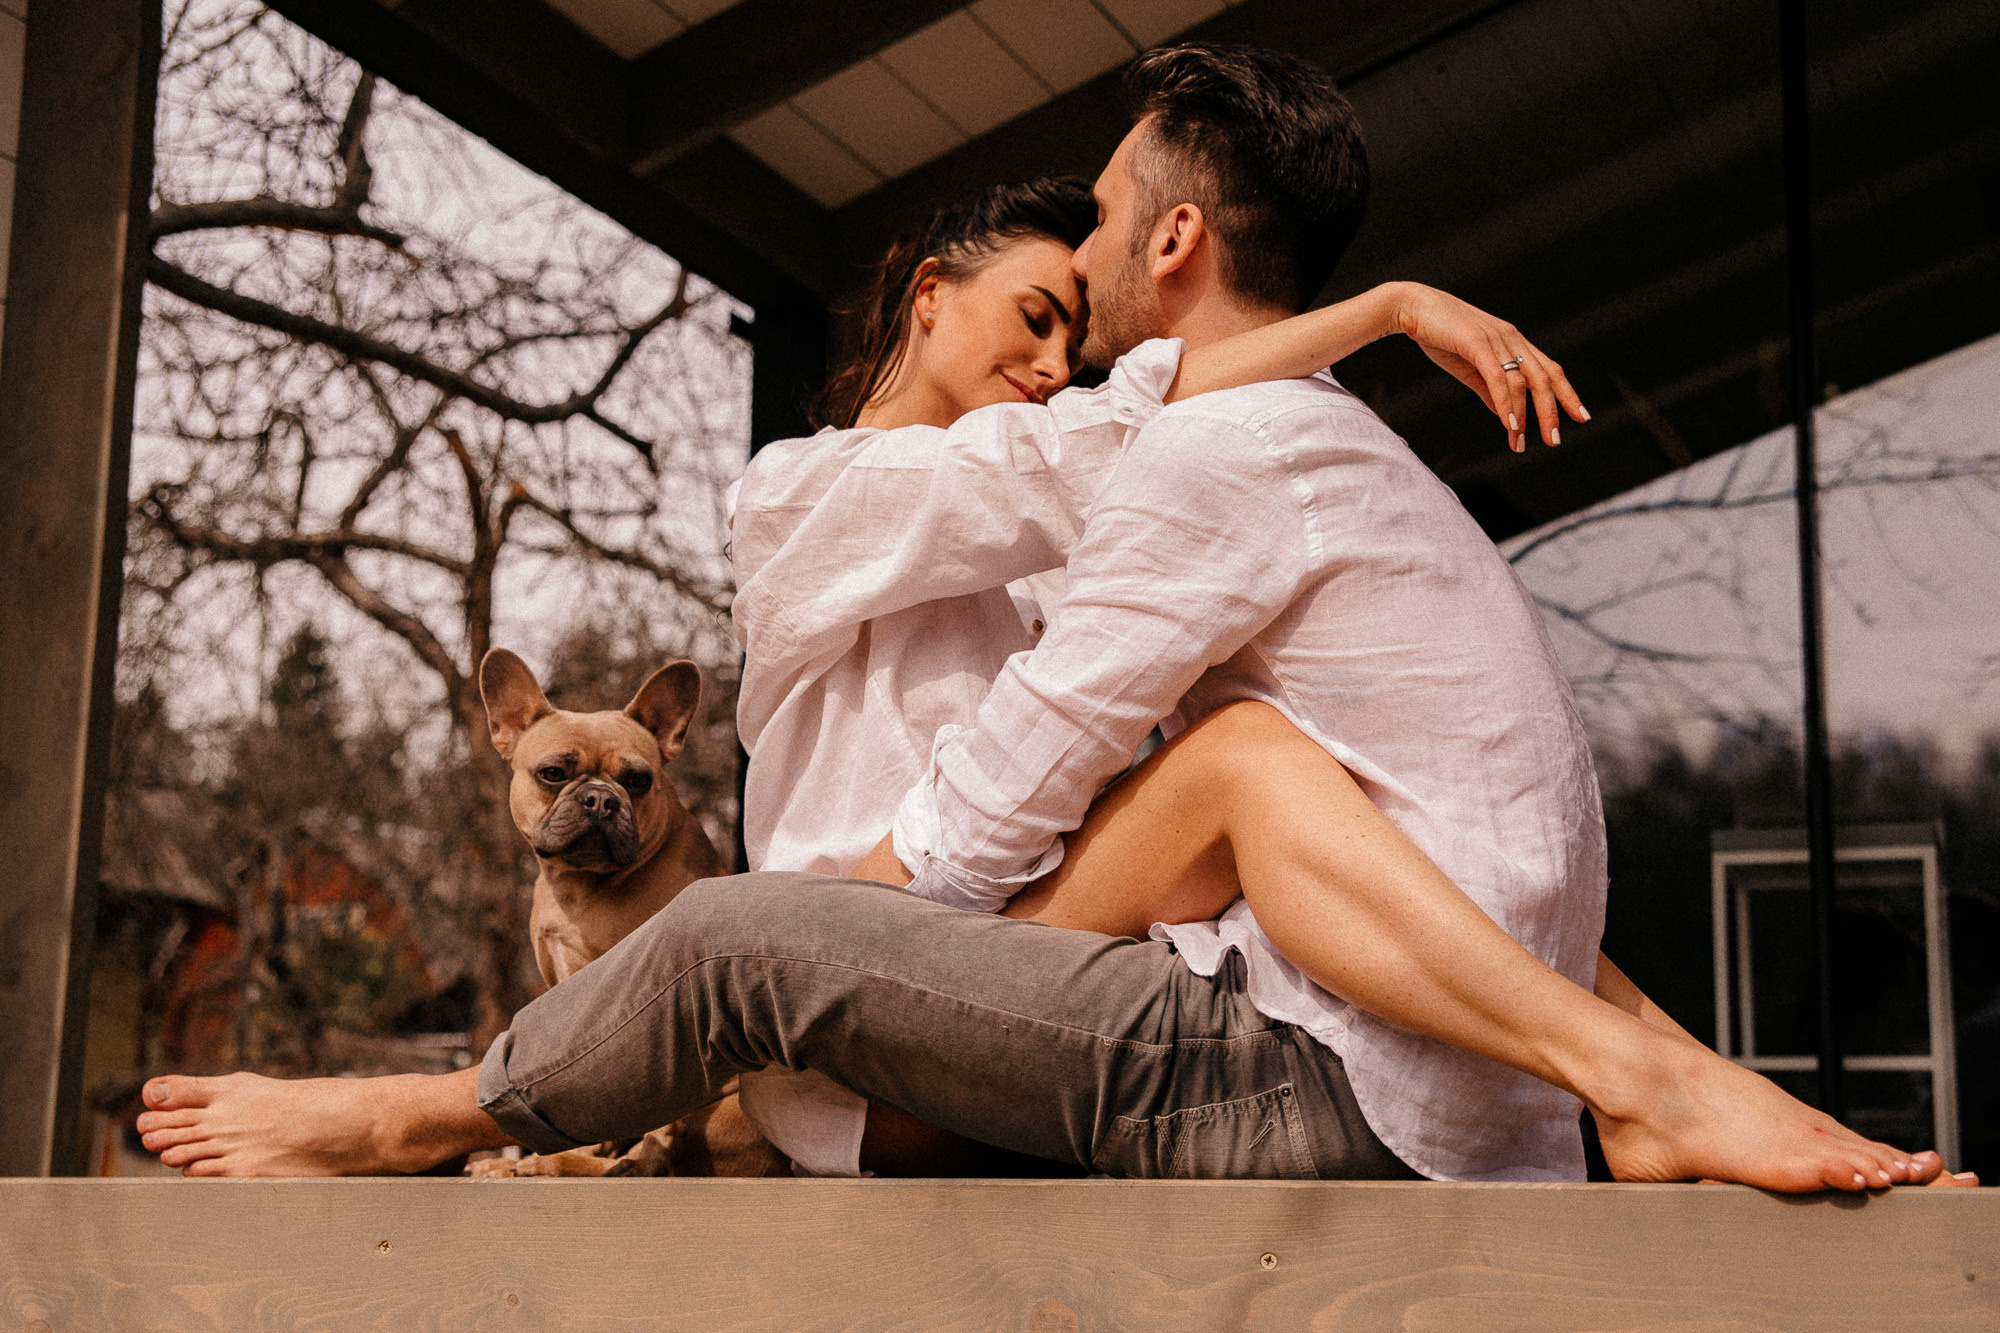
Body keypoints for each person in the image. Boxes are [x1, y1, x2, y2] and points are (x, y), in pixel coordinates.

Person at [135, 44, 1970, 1190]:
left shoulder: (1166, 494)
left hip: (1044, 981)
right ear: (920, 301)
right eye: (1023, 313)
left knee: (783, 924)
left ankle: (421, 1109)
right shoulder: (812, 495)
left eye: (1080, 280)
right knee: (1081, 821)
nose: (1061, 343)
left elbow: (1046, 773)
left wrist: (844, 899)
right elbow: (1111, 444)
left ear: (1172, 245)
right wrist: (1383, 306)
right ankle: (1648, 1077)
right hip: (995, 983)